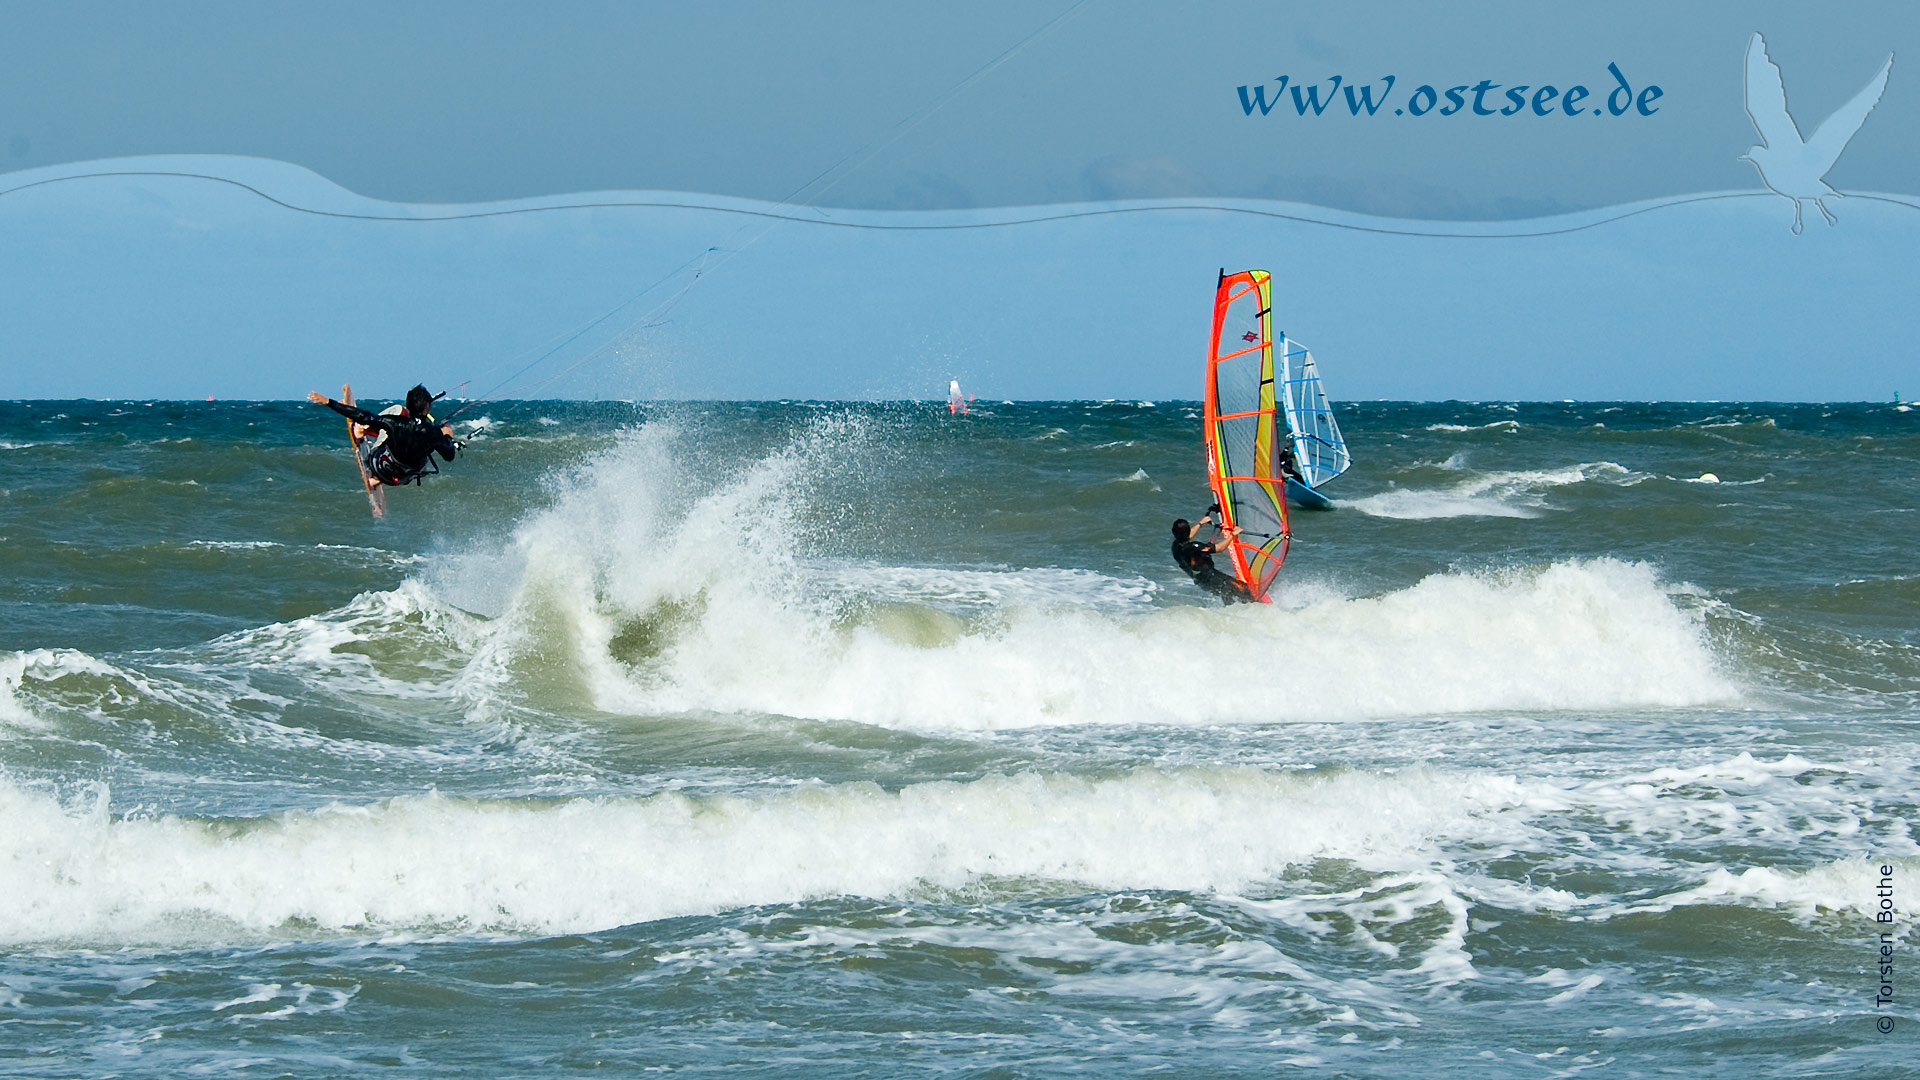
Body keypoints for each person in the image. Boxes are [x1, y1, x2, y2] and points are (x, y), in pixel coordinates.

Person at [307, 384, 460, 488]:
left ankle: (363, 430)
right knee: (424, 459)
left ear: (409, 406)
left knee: (392, 414)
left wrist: (328, 402)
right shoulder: (433, 434)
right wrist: (447, 436)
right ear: (427, 408)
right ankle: (376, 481)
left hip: (377, 465)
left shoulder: (394, 422)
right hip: (397, 480)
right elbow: (449, 455)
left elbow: (362, 415)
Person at [1171, 507, 1253, 605]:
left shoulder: (1175, 546)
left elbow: (1187, 536)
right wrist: (1233, 534)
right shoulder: (1195, 547)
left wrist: (1200, 524)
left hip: (1201, 581)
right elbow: (1219, 548)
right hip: (1212, 578)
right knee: (1243, 589)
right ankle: (1256, 607)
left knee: (1228, 597)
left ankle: (1238, 613)